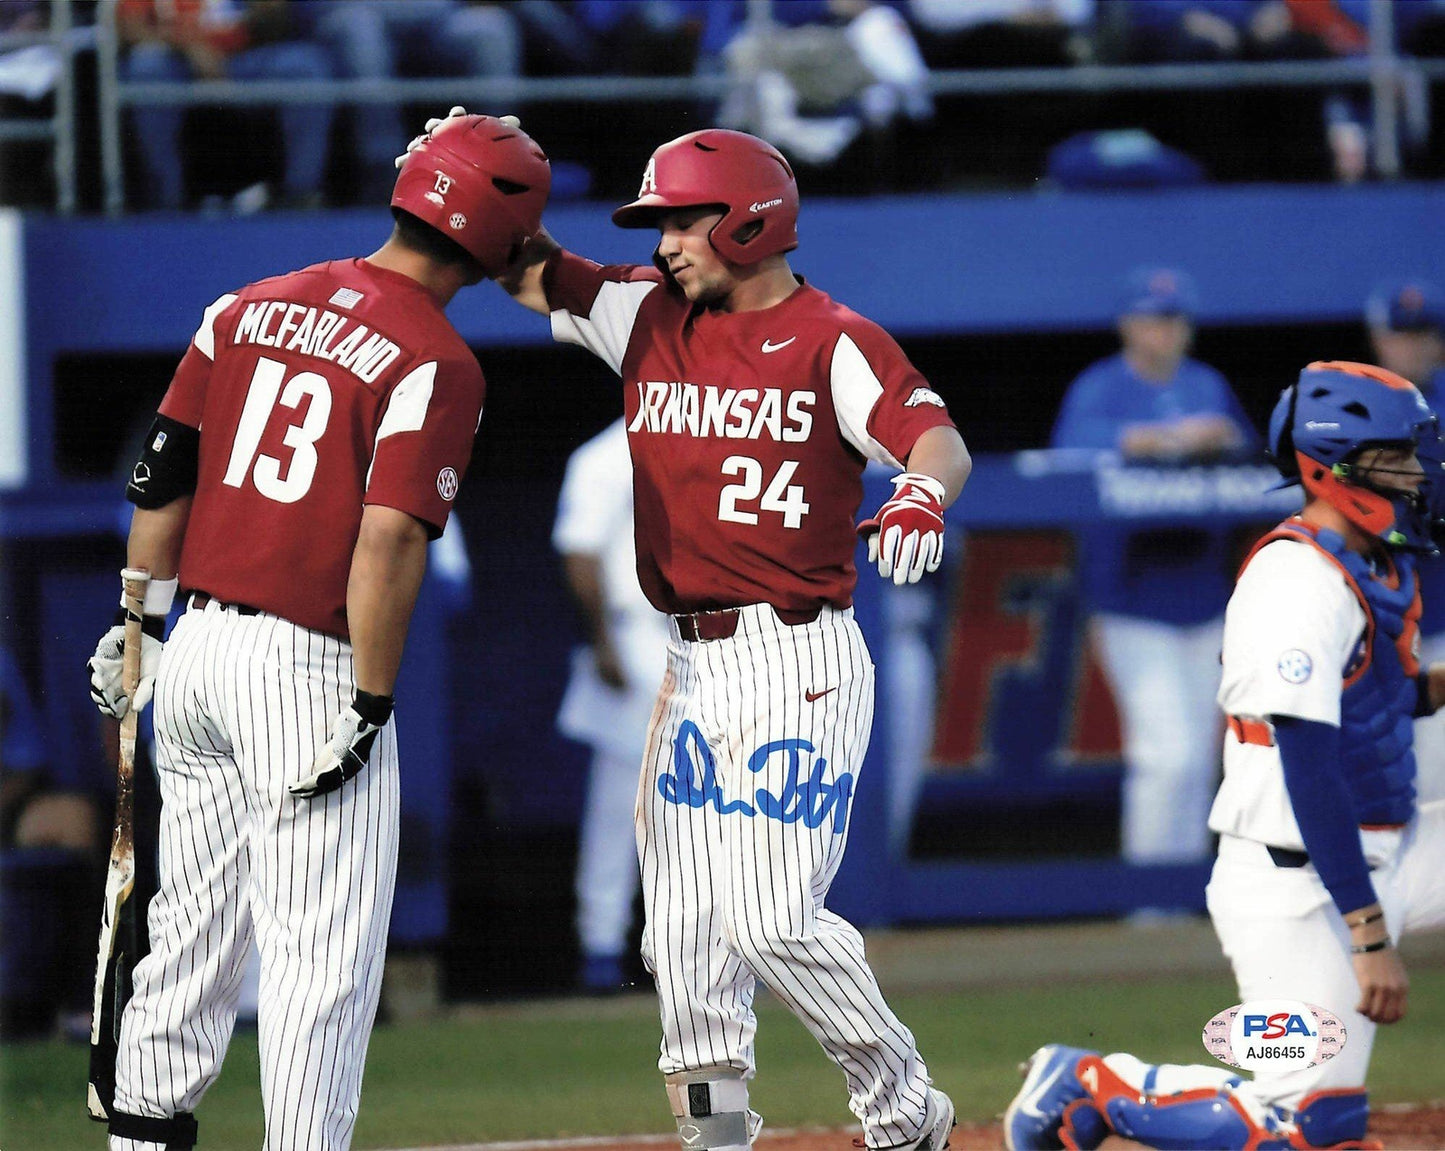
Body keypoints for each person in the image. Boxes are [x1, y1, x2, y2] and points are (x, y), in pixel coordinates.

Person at [407, 107, 969, 1151]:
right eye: (657, 224)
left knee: (769, 919)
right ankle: (717, 1134)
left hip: (795, 656)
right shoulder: (640, 311)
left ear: (750, 219)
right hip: (688, 663)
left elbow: (933, 438)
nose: (663, 242)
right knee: (680, 935)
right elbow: (524, 267)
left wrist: (918, 494)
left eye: (680, 220)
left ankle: (904, 1112)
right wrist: (463, 179)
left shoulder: (833, 338)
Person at [83, 114, 550, 1151]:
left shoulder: (245, 302)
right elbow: (388, 537)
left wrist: (136, 621)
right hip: (306, 666)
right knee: (319, 960)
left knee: (187, 936)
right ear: (496, 238)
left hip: (194, 647)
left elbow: (161, 477)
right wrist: (371, 699)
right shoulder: (436, 357)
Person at [1004, 361, 1445, 1151]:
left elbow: (1376, 703)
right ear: (1334, 465)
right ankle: (1090, 1081)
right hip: (1299, 883)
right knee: (1301, 1129)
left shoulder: (1370, 564)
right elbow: (1309, 763)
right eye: (1394, 456)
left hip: (1394, 845)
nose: (1415, 472)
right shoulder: (1295, 579)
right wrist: (1368, 934)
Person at [1050, 267, 1256, 870]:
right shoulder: (1100, 388)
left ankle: (1180, 894)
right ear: (1127, 325)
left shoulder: (1207, 385)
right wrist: (1154, 440)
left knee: (1200, 759)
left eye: (1172, 320)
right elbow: (1064, 462)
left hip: (1204, 595)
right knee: (1166, 755)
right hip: (1130, 600)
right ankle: (1147, 900)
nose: (1163, 331)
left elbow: (1249, 462)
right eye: (1151, 319)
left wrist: (1219, 440)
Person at [552, 417, 671, 993]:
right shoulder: (603, 455)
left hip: (694, 635)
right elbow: (580, 551)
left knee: (705, 802)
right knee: (621, 802)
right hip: (633, 633)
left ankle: (697, 946)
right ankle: (600, 943)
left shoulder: (699, 432)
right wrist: (603, 642)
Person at [116, 0, 336, 211]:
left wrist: (268, 12)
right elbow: (129, 26)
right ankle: (166, 199)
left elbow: (277, 23)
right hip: (177, 61)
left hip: (247, 57)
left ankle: (301, 194)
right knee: (147, 66)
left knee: (304, 65)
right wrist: (190, 46)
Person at [1367, 278, 1445, 803]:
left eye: (1423, 335)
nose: (1413, 347)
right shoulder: (1355, 403)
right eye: (1402, 335)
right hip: (1377, 621)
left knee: (1436, 781)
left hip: (1439, 614)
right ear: (1380, 339)